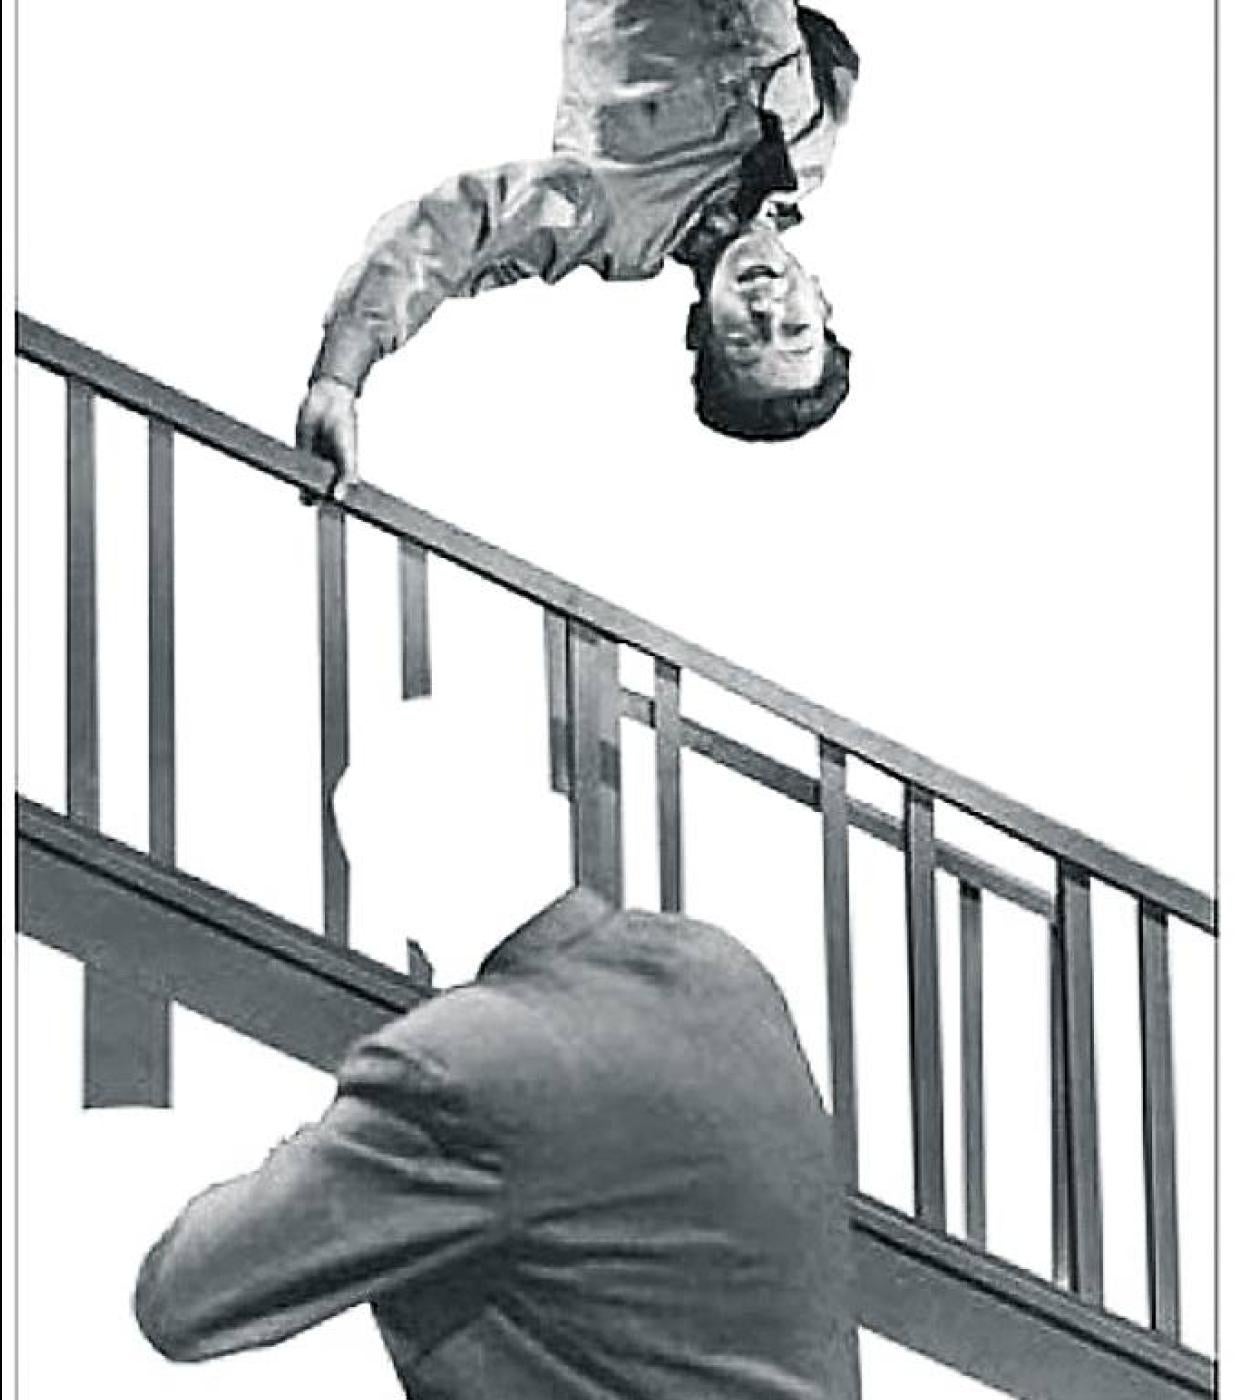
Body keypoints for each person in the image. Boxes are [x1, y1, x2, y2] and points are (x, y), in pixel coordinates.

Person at [133, 704, 858, 1397]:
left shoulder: (455, 1068)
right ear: (551, 822)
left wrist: (313, 1144)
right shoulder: (722, 969)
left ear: (394, 886)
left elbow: (181, 1297)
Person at [296, 0, 859, 489]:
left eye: (744, 339)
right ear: (822, 302)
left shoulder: (611, 216)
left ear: (701, 326)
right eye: (795, 329)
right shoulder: (810, 158)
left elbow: (453, 235)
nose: (768, 309)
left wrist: (338, 377)